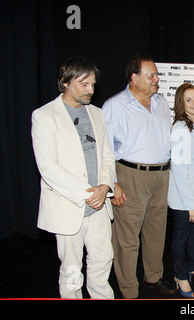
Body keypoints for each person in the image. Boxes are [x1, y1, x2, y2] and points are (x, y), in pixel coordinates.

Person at [31, 57, 115, 299]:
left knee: (102, 262)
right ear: (65, 82)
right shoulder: (45, 115)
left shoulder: (97, 114)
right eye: (84, 84)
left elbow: (108, 155)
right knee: (71, 272)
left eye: (93, 84)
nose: (91, 90)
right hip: (69, 206)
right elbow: (48, 167)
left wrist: (105, 187)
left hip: (100, 205)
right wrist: (89, 194)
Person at [102, 54, 175, 299]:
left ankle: (153, 276)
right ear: (134, 78)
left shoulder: (162, 102)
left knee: (156, 232)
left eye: (156, 74)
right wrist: (112, 183)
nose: (157, 79)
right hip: (129, 176)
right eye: (151, 75)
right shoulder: (115, 106)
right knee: (127, 238)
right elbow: (104, 149)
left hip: (161, 175)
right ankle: (129, 290)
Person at [168, 83, 194, 298]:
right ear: (180, 105)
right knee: (182, 235)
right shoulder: (180, 129)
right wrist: (191, 204)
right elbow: (180, 171)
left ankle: (193, 265)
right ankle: (180, 275)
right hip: (184, 197)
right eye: (188, 100)